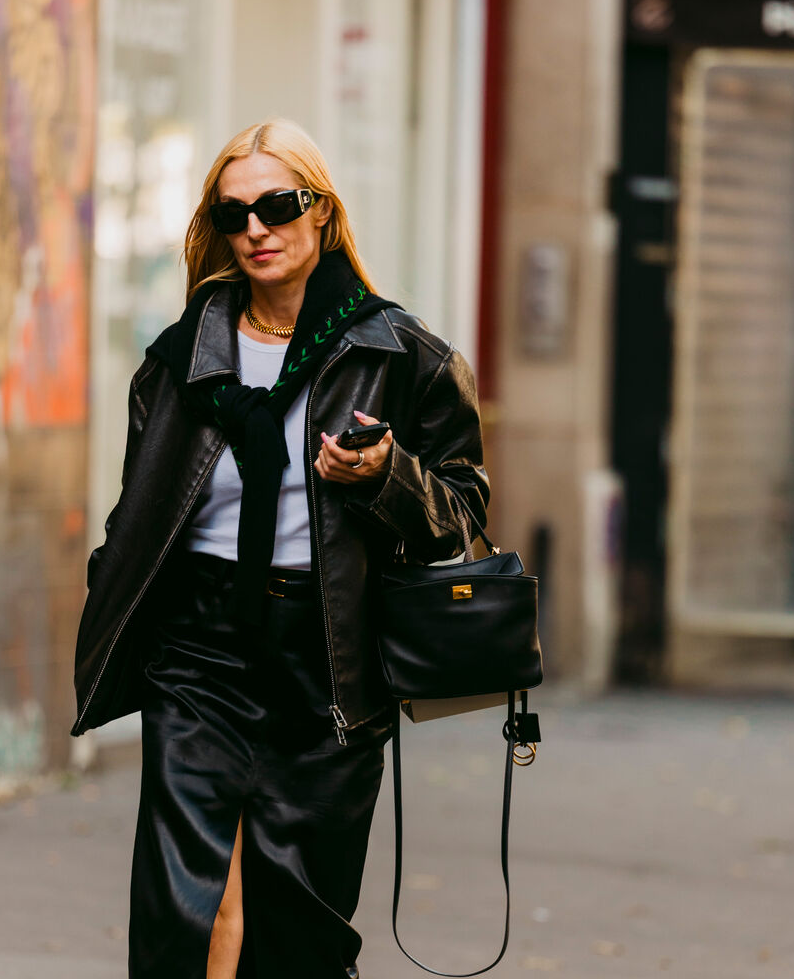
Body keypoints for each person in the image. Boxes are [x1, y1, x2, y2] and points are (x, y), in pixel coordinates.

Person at [71, 118, 489, 979]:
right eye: (233, 215)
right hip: (197, 650)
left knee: (300, 926)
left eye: (276, 204)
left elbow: (466, 515)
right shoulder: (183, 360)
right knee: (190, 905)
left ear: (321, 212)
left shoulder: (400, 354)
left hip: (328, 660)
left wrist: (383, 474)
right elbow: (138, 510)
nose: (255, 228)